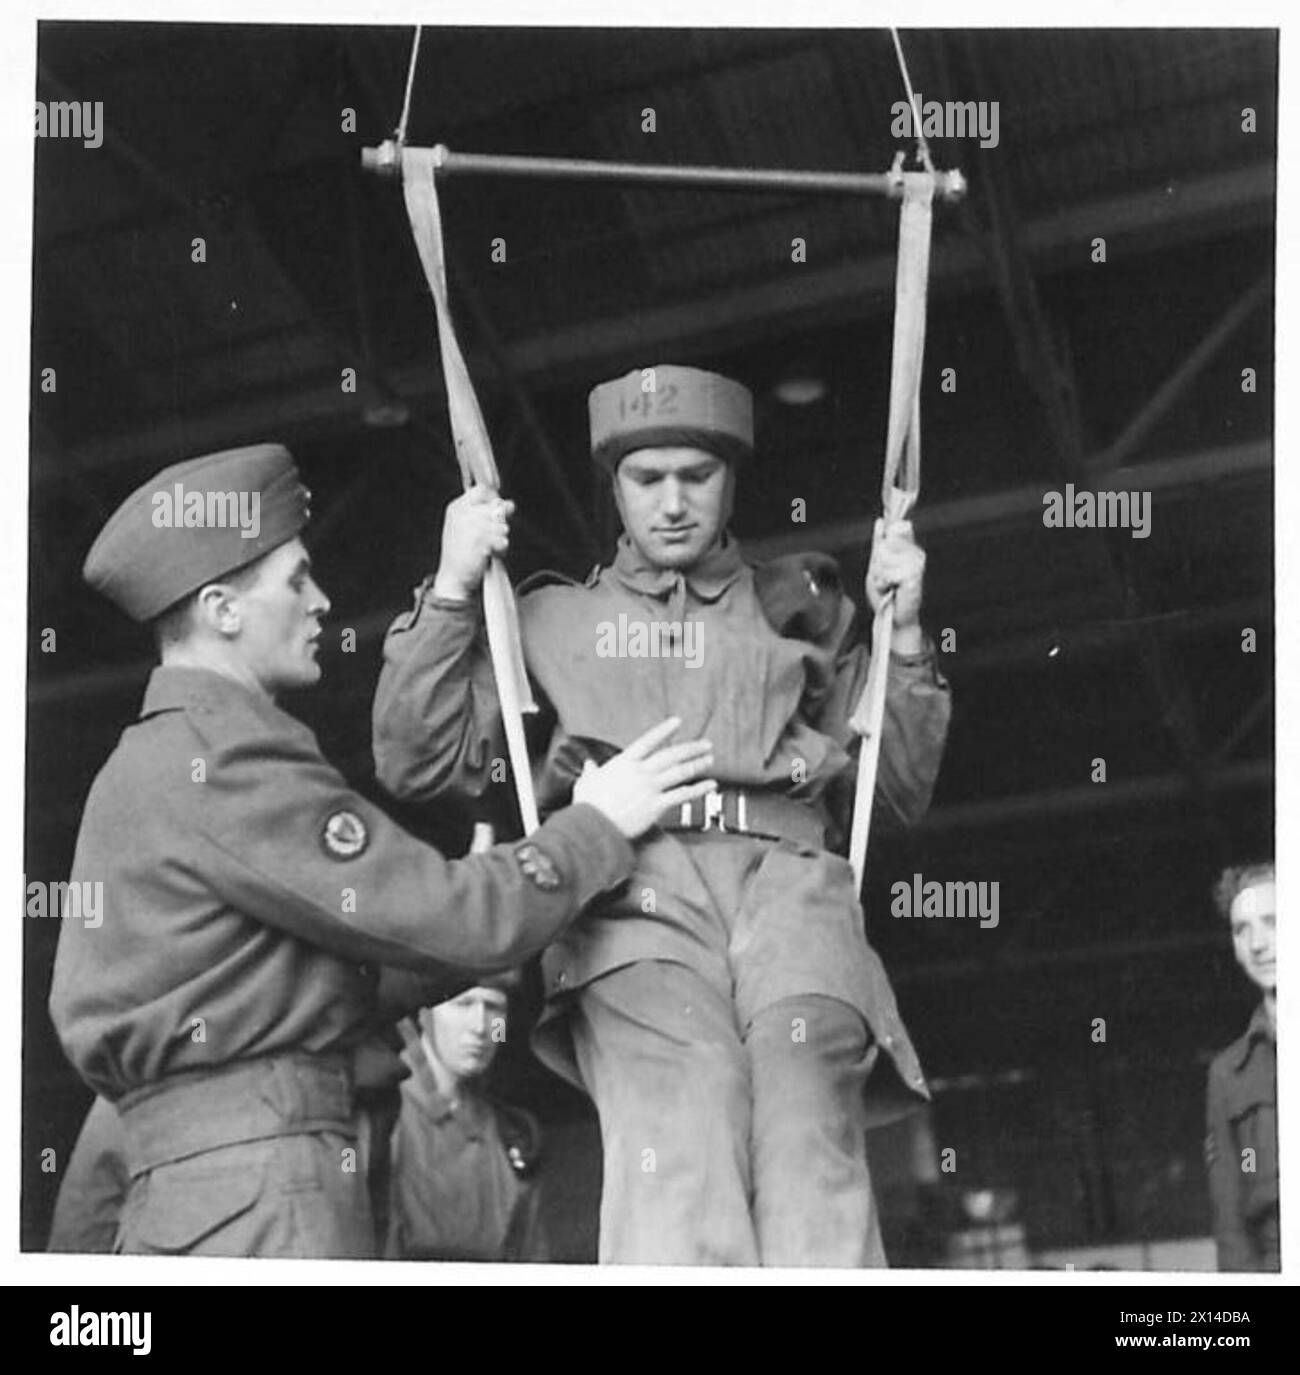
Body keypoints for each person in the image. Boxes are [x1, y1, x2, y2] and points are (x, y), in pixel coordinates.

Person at [48, 442, 716, 1259]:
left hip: (189, 1202)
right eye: (296, 579)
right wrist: (593, 830)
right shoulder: (226, 757)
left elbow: (334, 974)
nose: (323, 601)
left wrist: (506, 896)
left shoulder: (142, 767)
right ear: (223, 609)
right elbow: (442, 918)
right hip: (264, 1195)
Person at [373, 365, 952, 1266]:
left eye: (698, 475)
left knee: (805, 1119)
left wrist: (906, 634)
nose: (673, 502)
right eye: (647, 479)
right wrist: (452, 584)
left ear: (732, 481)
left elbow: (900, 786)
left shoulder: (807, 603)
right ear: (614, 486)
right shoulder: (550, 617)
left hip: (792, 888)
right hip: (636, 890)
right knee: (682, 1123)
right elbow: (416, 758)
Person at [385, 976, 547, 1261]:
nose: (480, 1026)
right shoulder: (384, 1116)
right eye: (463, 1004)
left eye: (494, 1007)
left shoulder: (514, 1135)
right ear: (425, 1014)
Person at [1205, 861, 1278, 1271]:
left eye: (1272, 921)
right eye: (1241, 929)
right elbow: (1230, 1226)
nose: (1256, 944)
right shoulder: (1228, 1074)